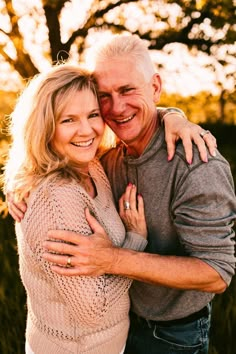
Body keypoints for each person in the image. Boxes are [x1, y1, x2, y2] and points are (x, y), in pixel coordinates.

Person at [39, 35, 236, 354]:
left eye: (128, 90)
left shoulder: (196, 164)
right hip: (115, 325)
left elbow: (216, 274)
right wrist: (22, 185)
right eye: (104, 96)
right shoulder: (106, 154)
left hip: (173, 335)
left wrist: (113, 259)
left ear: (155, 87)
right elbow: (50, 155)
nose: (116, 108)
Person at [3, 63, 152, 354]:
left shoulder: (91, 166)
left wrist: (175, 118)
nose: (87, 130)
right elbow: (94, 310)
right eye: (68, 119)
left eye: (93, 114)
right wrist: (135, 240)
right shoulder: (56, 200)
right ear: (45, 125)